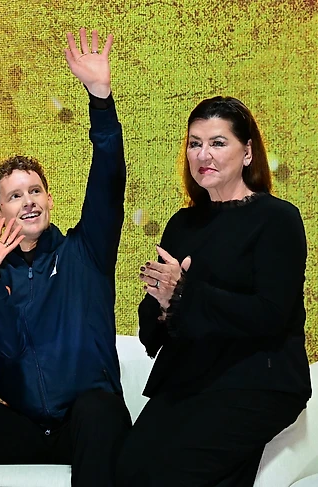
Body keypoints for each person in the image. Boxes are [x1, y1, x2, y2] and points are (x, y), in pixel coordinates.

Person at [0, 28, 131, 487]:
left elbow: (109, 179)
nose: (29, 201)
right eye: (15, 196)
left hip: (86, 425)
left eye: (35, 191)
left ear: (50, 200)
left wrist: (100, 98)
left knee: (98, 407)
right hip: (27, 428)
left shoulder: (86, 251)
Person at [116, 96, 312, 486]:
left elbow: (270, 315)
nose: (203, 154)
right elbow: (154, 327)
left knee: (170, 476)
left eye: (217, 143)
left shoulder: (278, 219)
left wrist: (184, 294)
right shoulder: (181, 224)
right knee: (126, 471)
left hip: (257, 380)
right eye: (195, 143)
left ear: (247, 152)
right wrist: (162, 304)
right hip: (189, 377)